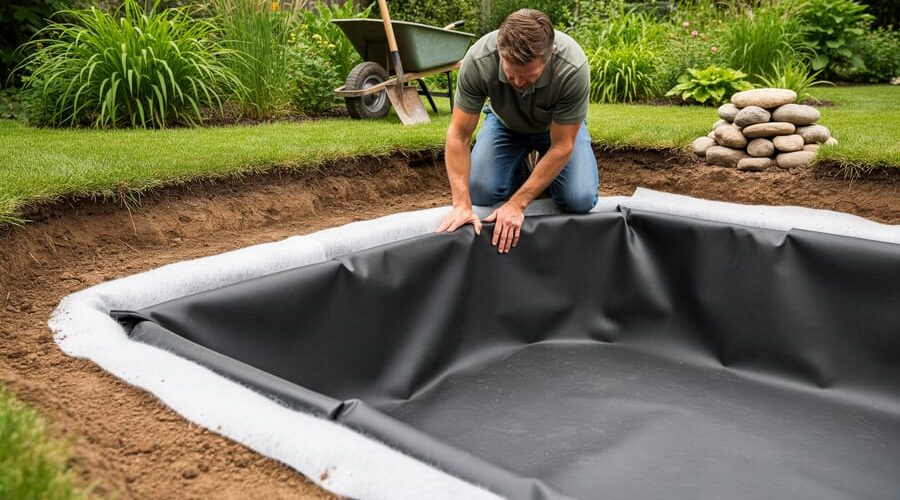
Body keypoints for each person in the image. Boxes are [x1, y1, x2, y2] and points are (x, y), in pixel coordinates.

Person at [435, 8, 598, 254]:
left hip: (556, 131)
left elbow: (563, 146)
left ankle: (543, 182)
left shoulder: (571, 66)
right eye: (512, 76)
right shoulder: (479, 59)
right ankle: (522, 173)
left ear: (549, 55)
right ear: (500, 53)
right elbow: (458, 134)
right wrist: (461, 204)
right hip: (505, 125)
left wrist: (517, 205)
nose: (519, 84)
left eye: (529, 77)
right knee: (480, 190)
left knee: (579, 198)